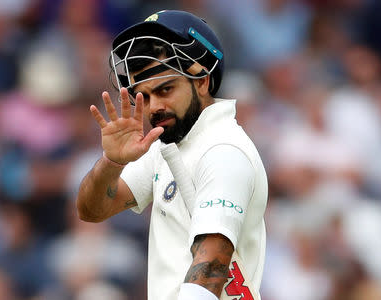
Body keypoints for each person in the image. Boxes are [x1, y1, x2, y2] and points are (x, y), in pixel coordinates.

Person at [76, 10, 268, 300]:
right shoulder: (169, 145)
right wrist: (112, 162)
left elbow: (210, 271)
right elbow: (92, 211)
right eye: (146, 96)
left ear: (202, 80)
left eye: (165, 89)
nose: (154, 108)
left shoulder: (223, 152)